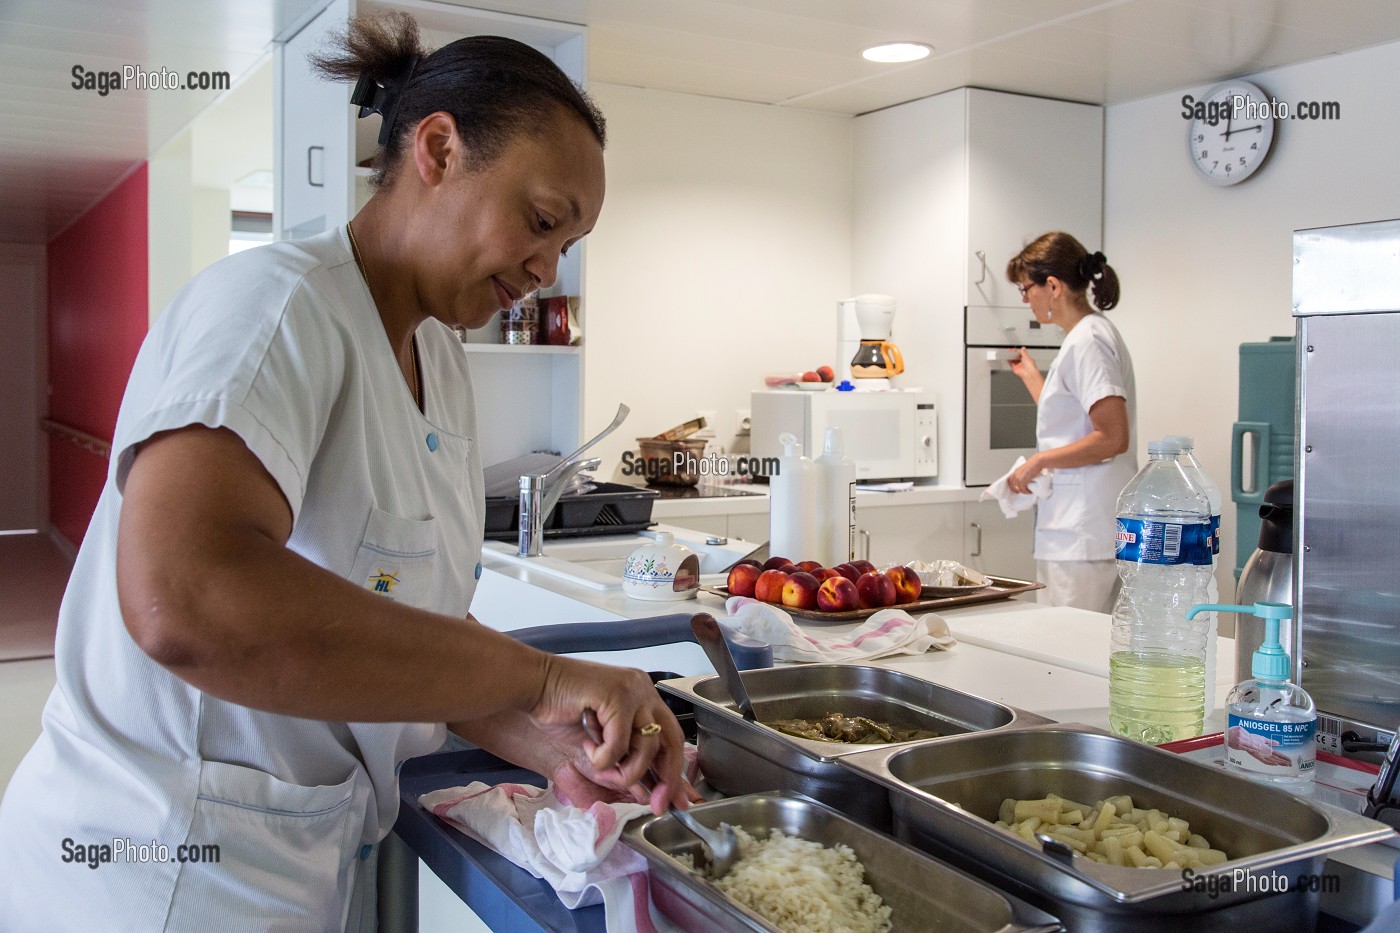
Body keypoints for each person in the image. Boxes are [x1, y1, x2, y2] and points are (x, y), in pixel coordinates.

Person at [0, 13, 690, 931]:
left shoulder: (437, 362)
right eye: (540, 221)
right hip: (152, 870)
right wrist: (536, 677)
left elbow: (405, 626)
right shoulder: (279, 306)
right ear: (437, 148)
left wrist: (552, 737)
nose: (546, 265)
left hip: (288, 866)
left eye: (567, 245)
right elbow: (182, 597)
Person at [1003, 232, 1137, 614]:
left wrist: (1039, 461)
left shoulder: (1088, 342)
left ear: (1053, 286)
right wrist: (1033, 379)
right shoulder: (1088, 336)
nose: (1026, 299)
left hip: (1082, 535)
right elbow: (1074, 417)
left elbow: (1112, 436)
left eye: (1026, 289)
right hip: (1083, 531)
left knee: (1070, 647)